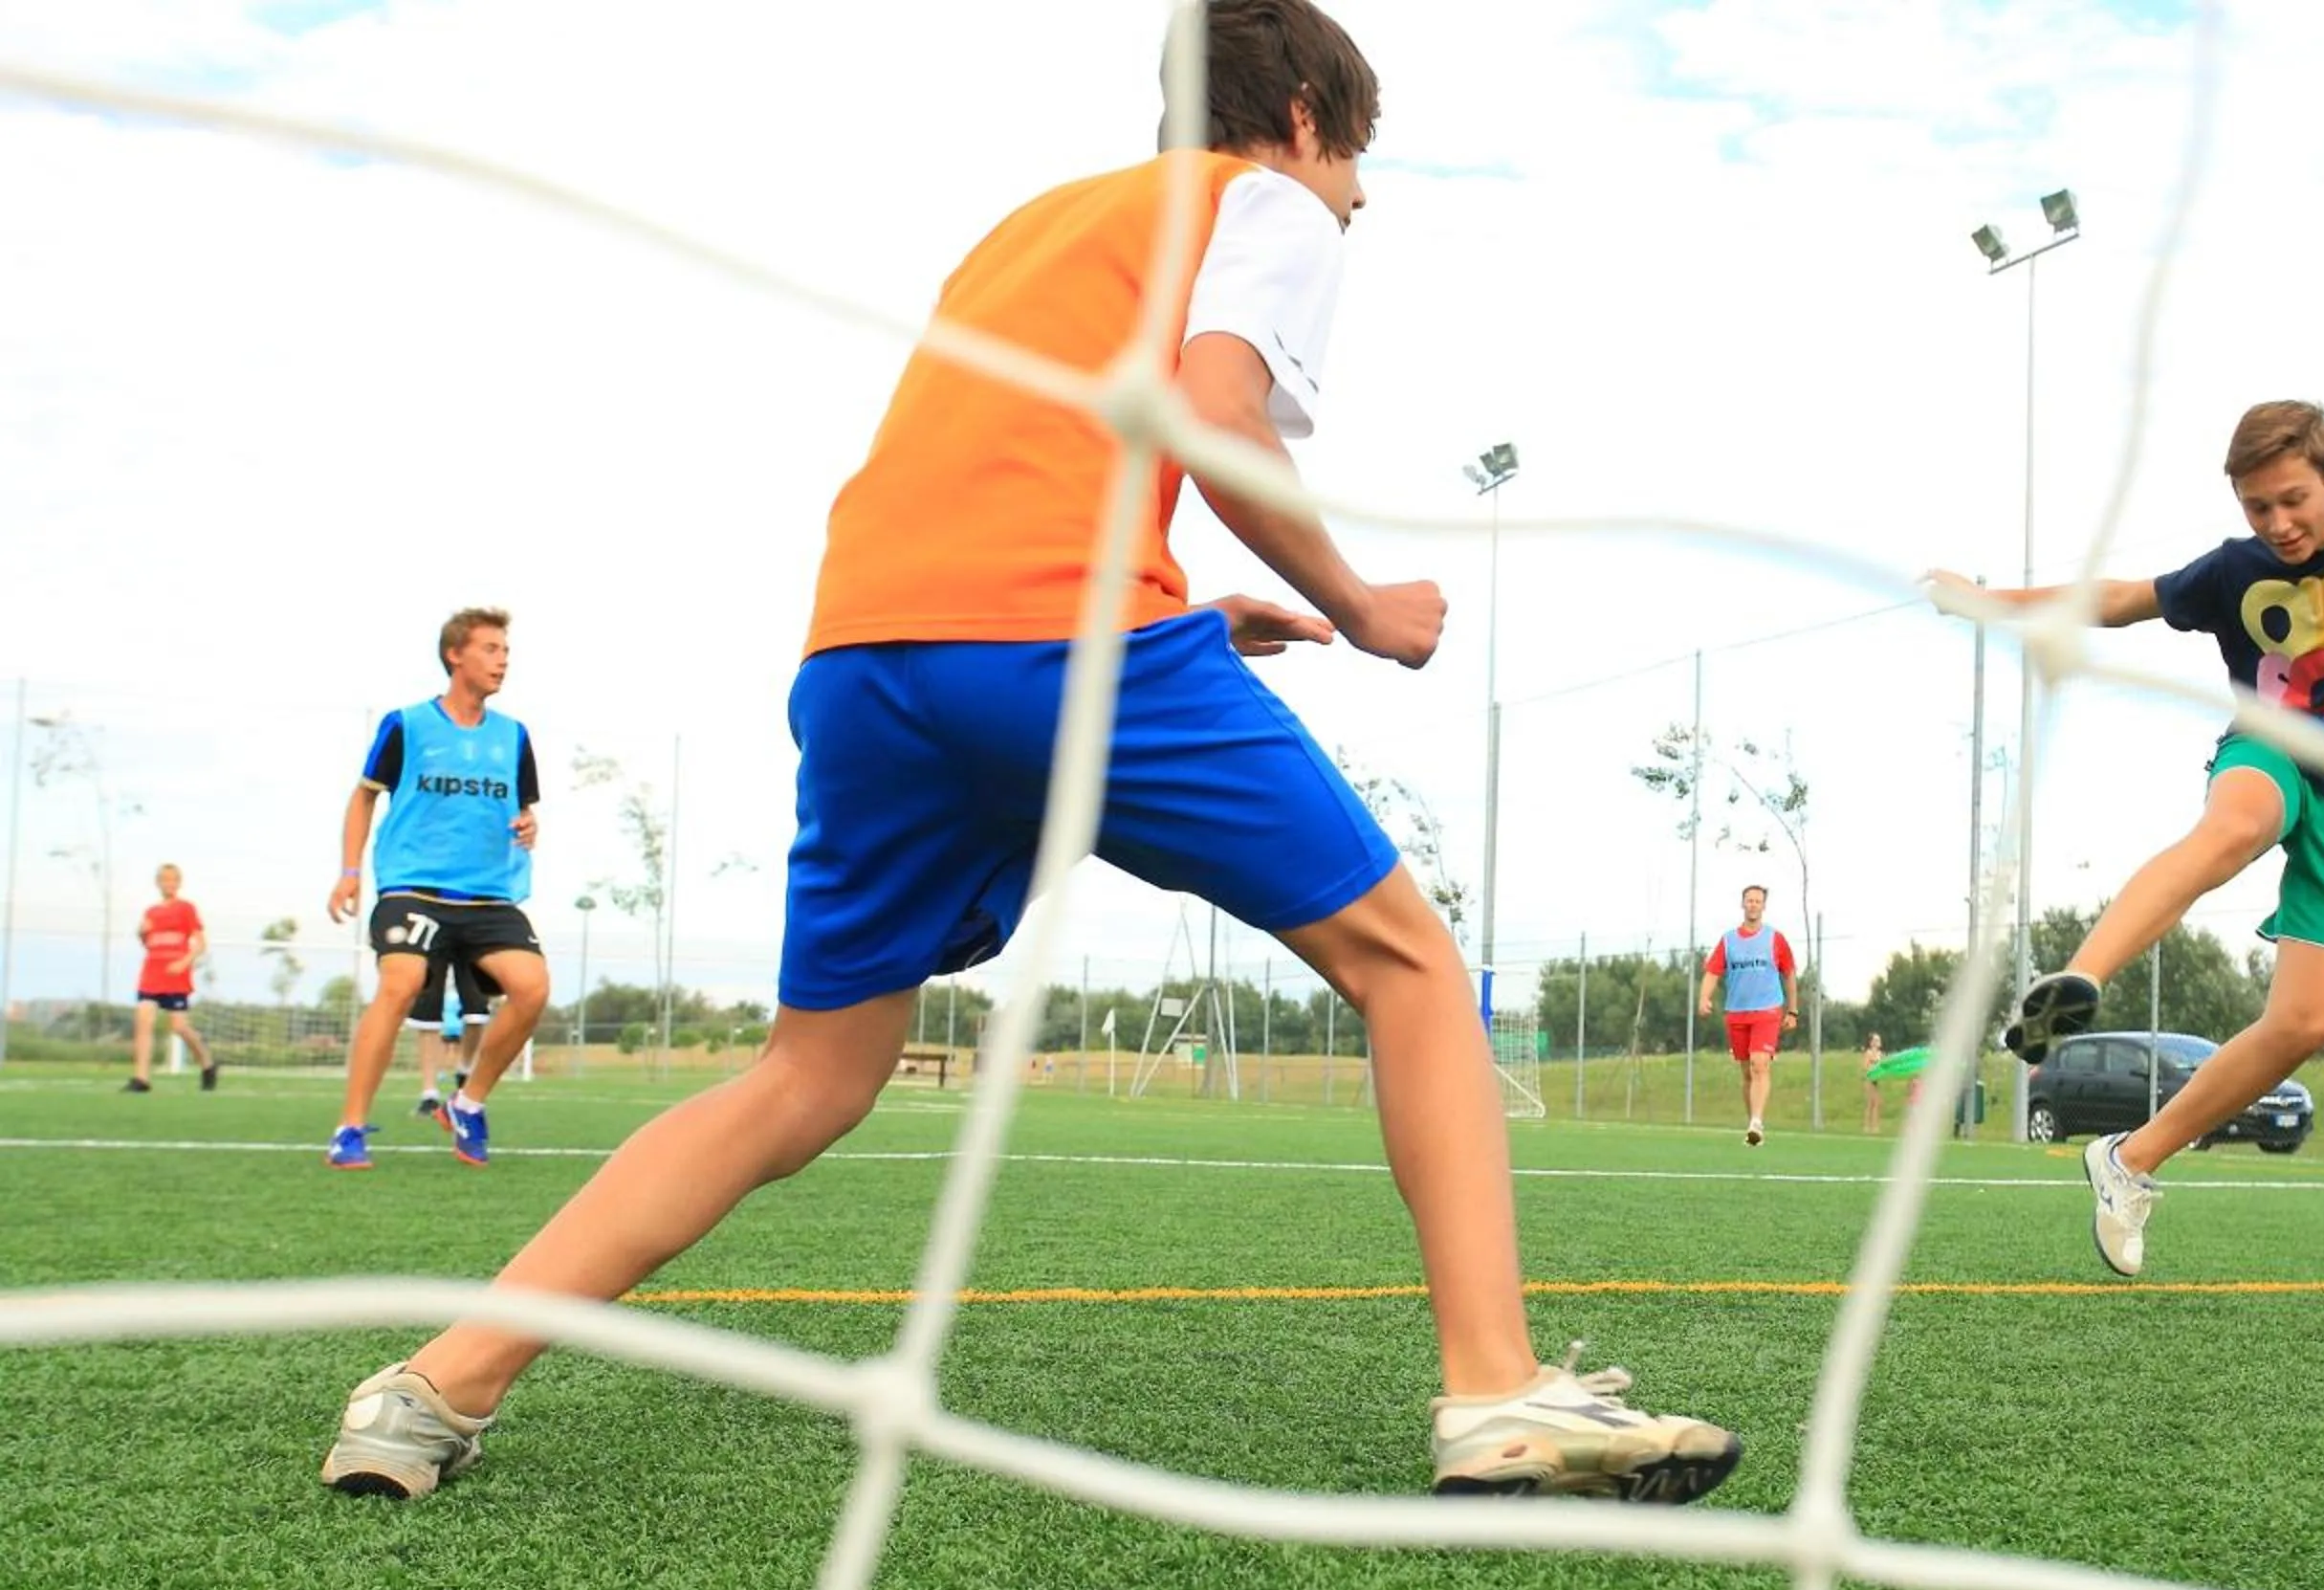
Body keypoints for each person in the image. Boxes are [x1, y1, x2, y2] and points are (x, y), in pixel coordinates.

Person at [319, 0, 1740, 1506]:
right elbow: (1213, 410)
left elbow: (1028, 465)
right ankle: (1497, 1390)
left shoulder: (1038, 227)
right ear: (1308, 115)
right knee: (1410, 967)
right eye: (1357, 161)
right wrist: (1360, 600)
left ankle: (431, 1392)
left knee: (805, 1077)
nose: (1360, 199)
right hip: (1065, 646)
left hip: (867, 658)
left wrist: (1194, 605)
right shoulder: (1262, 199)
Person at [1939, 400, 2324, 1275]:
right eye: (2257, 508)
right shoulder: (2237, 570)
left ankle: (2130, 1160)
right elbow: (2121, 599)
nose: (2279, 524)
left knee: (2303, 1023)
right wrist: (1992, 601)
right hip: (2273, 748)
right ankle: (2083, 974)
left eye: (2294, 500)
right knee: (2237, 826)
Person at [322, 608, 555, 1170]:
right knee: (400, 984)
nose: (503, 660)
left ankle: (467, 1103)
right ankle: (350, 1128)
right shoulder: (406, 725)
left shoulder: (514, 736)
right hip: (415, 889)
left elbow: (522, 809)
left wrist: (527, 824)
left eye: (506, 651)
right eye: (492, 648)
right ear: (456, 654)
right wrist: (350, 871)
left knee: (532, 988)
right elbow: (364, 796)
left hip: (488, 897)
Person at [1698, 884, 1797, 1145]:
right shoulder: (1729, 940)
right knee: (1746, 1072)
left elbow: (1789, 974)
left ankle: (1757, 1122)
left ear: (1764, 906)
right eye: (1749, 900)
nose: (1753, 904)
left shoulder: (1775, 939)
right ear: (1743, 904)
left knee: (1760, 1064)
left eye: (1757, 901)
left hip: (1767, 1010)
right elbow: (1713, 972)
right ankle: (1752, 1122)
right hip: (1737, 1012)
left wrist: (1793, 1009)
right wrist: (1704, 997)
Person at [125, 863, 218, 1093]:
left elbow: (200, 944)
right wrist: (141, 932)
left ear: (178, 883)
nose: (169, 884)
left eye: (173, 880)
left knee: (179, 1026)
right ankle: (141, 1078)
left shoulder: (186, 909)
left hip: (175, 975)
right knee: (143, 1020)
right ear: (158, 883)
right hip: (152, 973)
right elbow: (148, 943)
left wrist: (183, 963)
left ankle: (207, 1064)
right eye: (164, 880)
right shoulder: (151, 912)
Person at [406, 956, 496, 1120]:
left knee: (477, 1011)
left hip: (472, 936)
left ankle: (464, 1075)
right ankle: (429, 1095)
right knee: (428, 1010)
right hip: (435, 935)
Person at [1860, 1031, 1884, 1134]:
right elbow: (1865, 1066)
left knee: (1876, 1103)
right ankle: (1867, 1126)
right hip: (1870, 1079)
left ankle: (1875, 1126)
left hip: (1876, 1079)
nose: (1878, 1042)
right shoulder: (1869, 1053)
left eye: (1878, 1040)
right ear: (1871, 1042)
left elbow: (1882, 1065)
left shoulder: (1880, 1054)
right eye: (1876, 1040)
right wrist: (1872, 1067)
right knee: (1871, 1103)